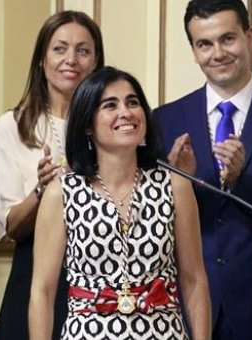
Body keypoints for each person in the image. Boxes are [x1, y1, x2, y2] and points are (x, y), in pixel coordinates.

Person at [153, 1, 252, 339]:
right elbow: (154, 227)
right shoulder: (165, 119)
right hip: (191, 305)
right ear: (193, 51)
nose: (218, 53)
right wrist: (182, 183)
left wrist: (242, 182)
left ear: (248, 36)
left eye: (228, 39)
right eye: (204, 44)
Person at [29, 67, 211, 339]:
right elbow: (42, 290)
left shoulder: (175, 186)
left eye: (133, 102)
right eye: (110, 105)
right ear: (87, 124)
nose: (126, 112)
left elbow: (194, 280)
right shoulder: (61, 193)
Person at [0, 10, 104, 340]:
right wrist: (42, 190)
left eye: (83, 50)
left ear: (96, 61)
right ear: (42, 59)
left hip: (101, 278)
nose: (71, 59)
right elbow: (11, 227)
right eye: (60, 48)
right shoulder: (14, 126)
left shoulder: (112, 123)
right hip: (36, 274)